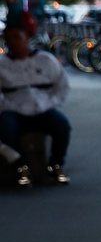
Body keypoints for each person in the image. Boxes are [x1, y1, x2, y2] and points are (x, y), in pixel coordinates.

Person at [0, 10, 71, 186]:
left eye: (17, 37)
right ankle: (20, 166)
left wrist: (50, 102)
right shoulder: (2, 64)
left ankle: (55, 164)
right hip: (14, 110)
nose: (13, 43)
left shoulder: (46, 60)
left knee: (62, 126)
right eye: (9, 39)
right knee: (5, 128)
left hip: (43, 109)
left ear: (26, 38)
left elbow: (62, 86)